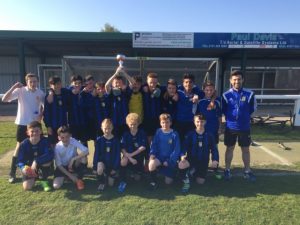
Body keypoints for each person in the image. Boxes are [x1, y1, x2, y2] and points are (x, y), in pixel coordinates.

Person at [2, 73, 45, 183]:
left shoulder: (41, 93)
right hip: (22, 124)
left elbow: (44, 107)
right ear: (27, 82)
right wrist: (14, 87)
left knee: (38, 146)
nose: (33, 83)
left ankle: (38, 170)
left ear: (38, 82)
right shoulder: (20, 91)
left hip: (35, 125)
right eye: (31, 81)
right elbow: (5, 99)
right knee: (18, 147)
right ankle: (12, 173)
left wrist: (41, 113)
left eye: (35, 81)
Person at [222, 70, 257, 181]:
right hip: (230, 127)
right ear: (231, 81)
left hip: (244, 127)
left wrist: (243, 117)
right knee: (229, 148)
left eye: (239, 79)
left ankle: (247, 171)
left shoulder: (250, 94)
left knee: (245, 149)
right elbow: (224, 110)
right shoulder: (226, 95)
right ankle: (227, 170)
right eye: (235, 79)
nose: (237, 81)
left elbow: (252, 109)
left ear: (243, 80)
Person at [148, 113, 185, 191]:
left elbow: (177, 150)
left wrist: (169, 161)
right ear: (160, 123)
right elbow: (154, 144)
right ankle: (153, 183)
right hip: (159, 157)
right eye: (163, 122)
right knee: (151, 164)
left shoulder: (174, 134)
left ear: (171, 123)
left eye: (167, 122)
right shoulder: (158, 131)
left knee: (168, 182)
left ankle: (174, 171)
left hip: (169, 159)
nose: (165, 124)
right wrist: (152, 154)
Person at [181, 114, 219, 187]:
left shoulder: (209, 135)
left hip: (203, 161)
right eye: (197, 121)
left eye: (202, 122)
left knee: (200, 182)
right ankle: (186, 177)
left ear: (205, 122)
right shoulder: (190, 134)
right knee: (181, 164)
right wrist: (182, 155)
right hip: (191, 160)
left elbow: (214, 149)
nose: (200, 124)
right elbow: (184, 147)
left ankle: (192, 172)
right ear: (194, 122)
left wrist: (215, 160)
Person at [17, 121, 54, 191]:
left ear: (40, 131)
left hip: (41, 165)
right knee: (27, 187)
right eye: (32, 131)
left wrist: (36, 161)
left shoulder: (45, 141)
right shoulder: (24, 144)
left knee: (47, 162)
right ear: (27, 132)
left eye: (37, 131)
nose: (34, 133)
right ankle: (35, 177)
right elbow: (20, 160)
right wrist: (23, 168)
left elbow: (50, 154)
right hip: (29, 167)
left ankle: (43, 180)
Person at [196, 81, 222, 177]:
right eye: (207, 90)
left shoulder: (218, 100)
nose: (209, 91)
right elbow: (197, 116)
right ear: (204, 90)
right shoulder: (200, 101)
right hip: (203, 129)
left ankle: (215, 166)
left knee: (214, 148)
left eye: (211, 90)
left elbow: (219, 116)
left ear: (214, 90)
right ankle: (204, 166)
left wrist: (220, 127)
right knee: (203, 148)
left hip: (214, 129)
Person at [53, 126, 89, 190]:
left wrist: (73, 159)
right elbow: (59, 165)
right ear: (59, 138)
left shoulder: (73, 140)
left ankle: (79, 179)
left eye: (67, 137)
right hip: (63, 168)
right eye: (62, 137)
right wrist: (71, 176)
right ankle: (70, 177)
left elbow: (86, 150)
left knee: (83, 158)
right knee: (56, 186)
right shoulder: (57, 147)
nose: (65, 139)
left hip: (72, 165)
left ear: (70, 135)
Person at [118, 113, 147, 193]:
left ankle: (135, 172)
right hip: (128, 157)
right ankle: (122, 181)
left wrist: (131, 155)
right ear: (127, 124)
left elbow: (143, 147)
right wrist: (129, 157)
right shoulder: (125, 134)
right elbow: (122, 148)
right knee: (123, 161)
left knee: (137, 179)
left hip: (138, 158)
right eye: (131, 124)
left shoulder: (142, 132)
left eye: (135, 124)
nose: (133, 126)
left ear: (138, 123)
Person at [175, 73, 204, 143]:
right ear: (183, 83)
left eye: (190, 82)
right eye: (186, 82)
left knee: (190, 144)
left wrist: (197, 95)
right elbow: (165, 88)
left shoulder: (197, 92)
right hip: (179, 123)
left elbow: (213, 92)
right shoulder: (178, 91)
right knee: (179, 143)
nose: (188, 84)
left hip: (191, 123)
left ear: (193, 83)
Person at [105, 67, 134, 137]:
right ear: (112, 84)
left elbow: (132, 83)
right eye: (116, 83)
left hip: (125, 122)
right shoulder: (111, 92)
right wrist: (116, 73)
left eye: (119, 83)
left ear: (123, 84)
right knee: (115, 142)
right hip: (113, 122)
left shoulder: (125, 92)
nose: (117, 84)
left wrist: (124, 73)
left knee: (124, 142)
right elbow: (106, 85)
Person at [93, 119, 121, 191]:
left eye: (109, 128)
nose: (107, 130)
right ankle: (101, 183)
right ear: (102, 128)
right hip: (103, 163)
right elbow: (96, 154)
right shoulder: (99, 140)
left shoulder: (116, 140)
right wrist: (95, 167)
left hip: (112, 165)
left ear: (112, 128)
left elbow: (118, 156)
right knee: (99, 168)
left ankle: (111, 175)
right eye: (105, 128)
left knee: (111, 185)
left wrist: (115, 168)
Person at [43, 76, 69, 145]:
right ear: (51, 85)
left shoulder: (65, 93)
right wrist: (48, 126)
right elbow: (46, 113)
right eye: (55, 84)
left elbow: (73, 89)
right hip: (53, 126)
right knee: (53, 144)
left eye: (59, 84)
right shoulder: (48, 97)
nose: (57, 86)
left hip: (63, 125)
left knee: (64, 143)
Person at [67, 75, 87, 144]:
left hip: (83, 123)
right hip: (73, 123)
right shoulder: (68, 92)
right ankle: (73, 155)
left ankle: (84, 155)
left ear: (82, 84)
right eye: (75, 83)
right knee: (73, 143)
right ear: (72, 83)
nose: (77, 85)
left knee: (84, 144)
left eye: (79, 83)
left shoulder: (85, 92)